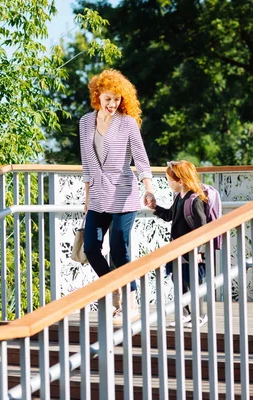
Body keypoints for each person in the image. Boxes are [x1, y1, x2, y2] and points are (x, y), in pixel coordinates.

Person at [79, 69, 155, 324]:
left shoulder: (127, 123)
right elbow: (87, 166)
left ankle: (130, 303)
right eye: (108, 99)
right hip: (98, 197)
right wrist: (87, 198)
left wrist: (148, 188)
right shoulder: (85, 122)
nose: (112, 104)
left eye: (117, 100)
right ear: (97, 95)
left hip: (124, 195)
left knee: (119, 249)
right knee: (90, 247)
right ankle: (114, 289)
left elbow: (141, 159)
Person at [146, 160, 208, 327]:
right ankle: (185, 314)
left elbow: (203, 228)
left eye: (169, 180)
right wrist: (155, 207)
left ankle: (200, 315)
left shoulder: (195, 200)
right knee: (179, 281)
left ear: (180, 181)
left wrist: (199, 251)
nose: (168, 183)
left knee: (194, 283)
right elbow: (169, 216)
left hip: (192, 252)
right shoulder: (180, 197)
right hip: (178, 250)